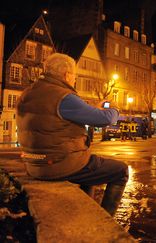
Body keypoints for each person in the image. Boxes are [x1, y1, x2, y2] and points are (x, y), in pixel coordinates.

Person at [16, 53, 129, 216]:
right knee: (120, 170)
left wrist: (93, 108)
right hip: (58, 164)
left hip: (33, 164)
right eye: (75, 75)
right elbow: (106, 119)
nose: (74, 79)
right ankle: (106, 219)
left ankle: (85, 213)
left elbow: (60, 114)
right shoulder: (63, 96)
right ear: (67, 74)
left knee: (90, 165)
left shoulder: (28, 93)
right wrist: (115, 108)